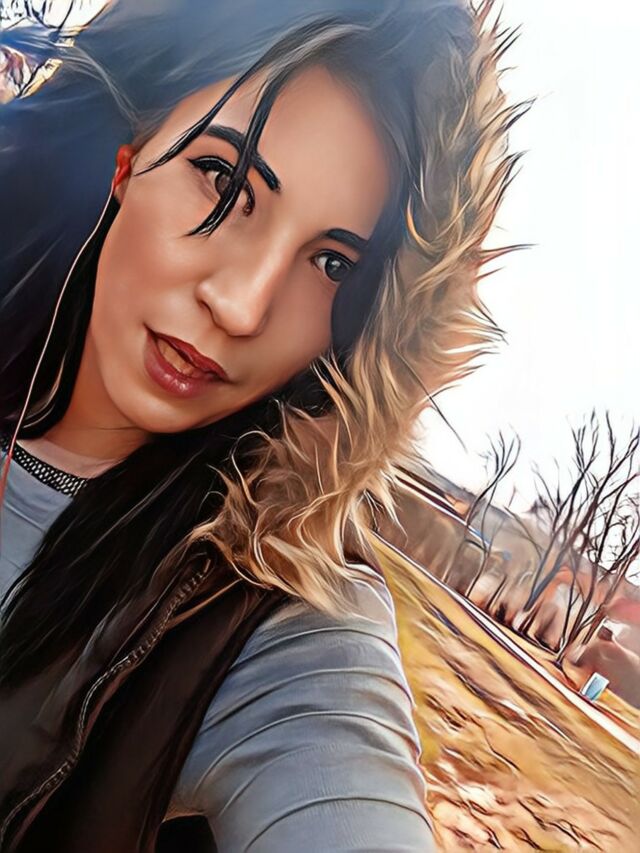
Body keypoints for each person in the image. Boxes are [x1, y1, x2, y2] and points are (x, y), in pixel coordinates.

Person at [0, 0, 525, 849]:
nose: (242, 306)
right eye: (223, 179)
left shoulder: (266, 627)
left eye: (331, 262)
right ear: (126, 158)